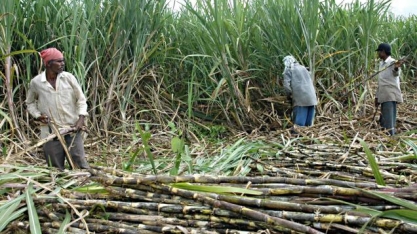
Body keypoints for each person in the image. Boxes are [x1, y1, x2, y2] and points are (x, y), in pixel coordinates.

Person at [26, 48, 90, 170]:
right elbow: (29, 103)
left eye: (63, 61)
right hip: (51, 132)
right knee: (55, 168)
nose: (62, 64)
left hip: (72, 128)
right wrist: (38, 115)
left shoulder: (68, 78)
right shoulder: (36, 83)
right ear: (49, 64)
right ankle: (59, 188)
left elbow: (81, 100)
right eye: (59, 61)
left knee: (80, 165)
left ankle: (82, 187)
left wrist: (81, 118)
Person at [375, 43, 404, 136]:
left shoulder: (393, 62)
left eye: (379, 51)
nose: (378, 54)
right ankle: (385, 137)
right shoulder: (381, 64)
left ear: (383, 52)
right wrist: (377, 97)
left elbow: (396, 73)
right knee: (383, 120)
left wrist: (396, 68)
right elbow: (381, 82)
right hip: (383, 95)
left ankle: (391, 139)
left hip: (390, 95)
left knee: (389, 120)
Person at [283, 55, 318, 130]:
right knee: (309, 122)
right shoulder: (303, 68)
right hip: (311, 95)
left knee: (300, 121)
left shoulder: (289, 70)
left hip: (301, 97)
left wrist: (289, 95)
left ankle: (297, 135)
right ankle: (308, 134)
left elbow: (286, 85)